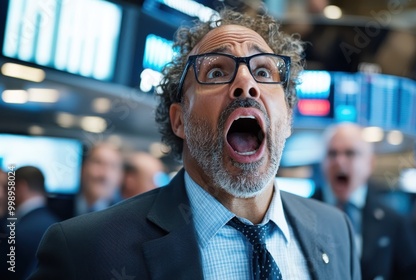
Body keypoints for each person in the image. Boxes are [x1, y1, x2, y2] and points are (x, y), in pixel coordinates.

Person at [29, 8, 360, 280]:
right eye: (216, 72)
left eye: (263, 71)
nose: (246, 84)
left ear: (288, 117)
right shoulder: (84, 251)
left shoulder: (335, 230)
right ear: (179, 121)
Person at [321, 122, 416, 280]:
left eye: (350, 153)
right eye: (332, 153)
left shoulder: (393, 221)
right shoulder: (298, 215)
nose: (339, 161)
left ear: (370, 163)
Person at [0, 166, 59, 280]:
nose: (4, 195)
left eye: (7, 188)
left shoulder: (15, 232)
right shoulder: (59, 225)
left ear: (21, 187)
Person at [49, 142, 124, 220]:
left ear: (120, 177)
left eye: (113, 166)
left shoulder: (124, 218)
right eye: (98, 162)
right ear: (83, 168)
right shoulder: (52, 210)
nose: (104, 174)